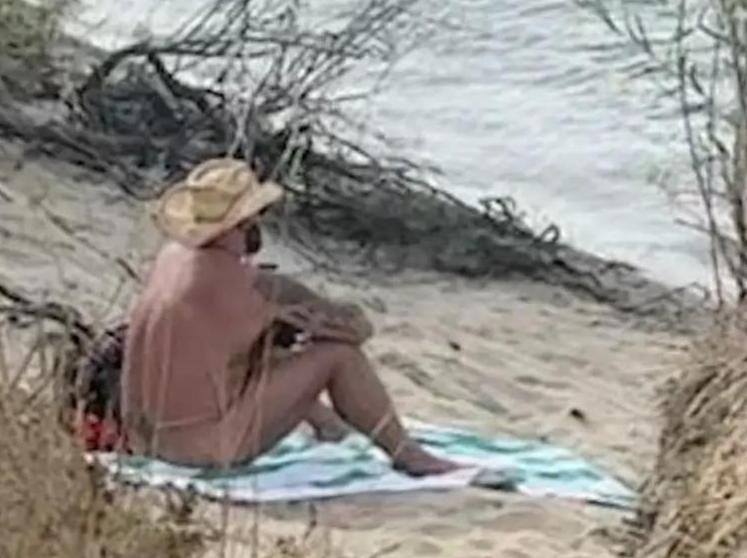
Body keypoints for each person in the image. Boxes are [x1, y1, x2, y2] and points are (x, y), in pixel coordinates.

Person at [115, 158, 477, 477]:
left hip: (144, 441)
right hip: (204, 450)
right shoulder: (257, 287)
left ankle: (330, 426)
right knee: (337, 355)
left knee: (256, 350)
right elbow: (355, 329)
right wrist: (307, 320)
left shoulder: (170, 261)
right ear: (246, 223)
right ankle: (409, 456)